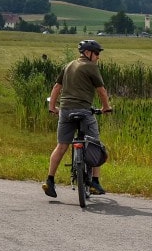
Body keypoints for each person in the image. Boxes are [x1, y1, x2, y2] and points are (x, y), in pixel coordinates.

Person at [43, 39, 113, 198]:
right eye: (96, 53)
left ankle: (50, 181)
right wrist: (106, 107)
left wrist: (52, 107)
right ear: (87, 53)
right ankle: (95, 182)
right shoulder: (91, 67)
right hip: (83, 110)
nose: (98, 57)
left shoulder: (68, 66)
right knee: (95, 144)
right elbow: (101, 90)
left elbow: (56, 88)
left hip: (66, 111)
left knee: (61, 146)